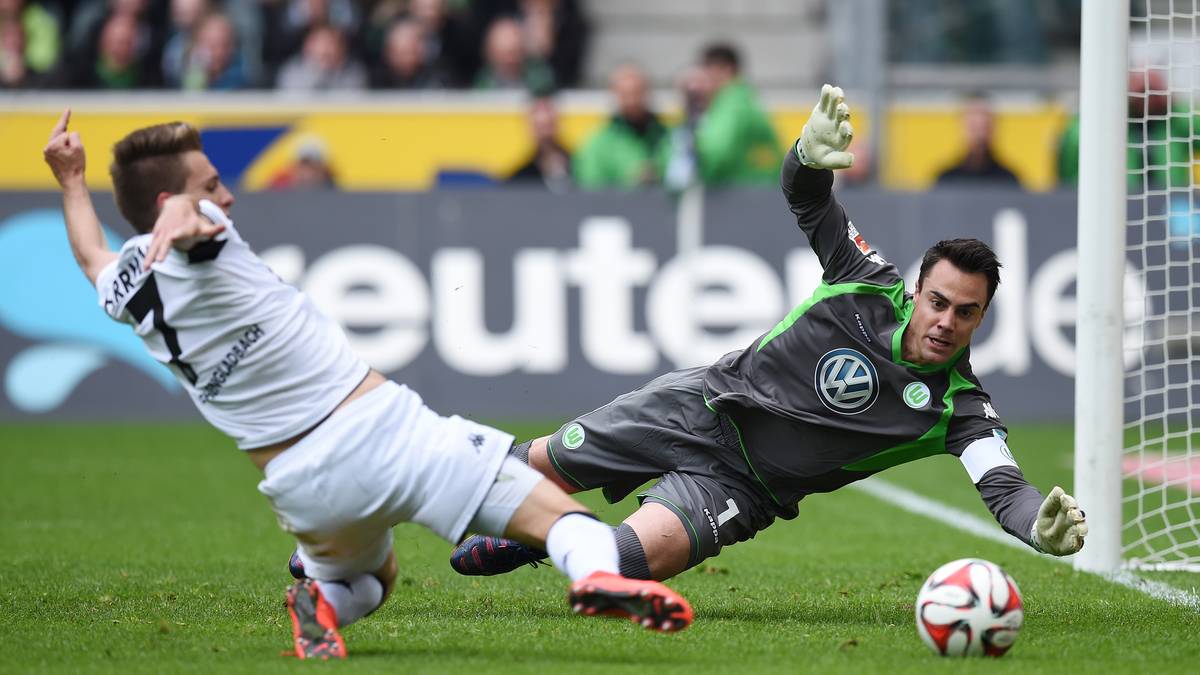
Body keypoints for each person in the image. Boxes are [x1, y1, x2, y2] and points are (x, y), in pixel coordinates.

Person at [41, 111, 693, 659]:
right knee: (559, 515)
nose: (227, 194)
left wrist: (72, 179)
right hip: (383, 433)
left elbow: (90, 254)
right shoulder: (207, 239)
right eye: (213, 183)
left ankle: (321, 598)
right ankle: (599, 576)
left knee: (374, 578)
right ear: (171, 202)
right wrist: (184, 212)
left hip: (299, 486)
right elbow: (192, 218)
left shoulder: (128, 282)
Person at [451, 84, 1089, 582]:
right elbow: (808, 197)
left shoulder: (960, 409)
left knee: (620, 565)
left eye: (966, 312)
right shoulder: (862, 277)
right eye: (939, 302)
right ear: (917, 292)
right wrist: (807, 154)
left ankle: (538, 538)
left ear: (983, 318)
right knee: (521, 470)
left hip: (742, 486)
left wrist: (1038, 526)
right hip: (696, 407)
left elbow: (1005, 488)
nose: (947, 322)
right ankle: (412, 514)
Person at [672, 42, 782, 187]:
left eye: (707, 69)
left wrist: (692, 170)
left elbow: (717, 155)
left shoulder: (731, 103)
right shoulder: (744, 99)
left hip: (742, 192)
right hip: (760, 189)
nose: (705, 77)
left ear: (726, 70)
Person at [573, 63, 667, 189]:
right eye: (625, 94)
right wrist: (631, 184)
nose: (632, 101)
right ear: (614, 94)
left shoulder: (668, 138)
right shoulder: (597, 144)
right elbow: (590, 191)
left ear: (647, 92)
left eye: (637, 92)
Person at [935, 93, 1020, 187]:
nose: (979, 135)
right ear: (962, 127)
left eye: (984, 127)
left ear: (994, 128)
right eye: (974, 127)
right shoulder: (946, 181)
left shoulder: (1008, 181)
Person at [507, 93, 572, 191]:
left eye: (549, 125)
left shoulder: (581, 168)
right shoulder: (519, 180)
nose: (543, 118)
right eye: (540, 127)